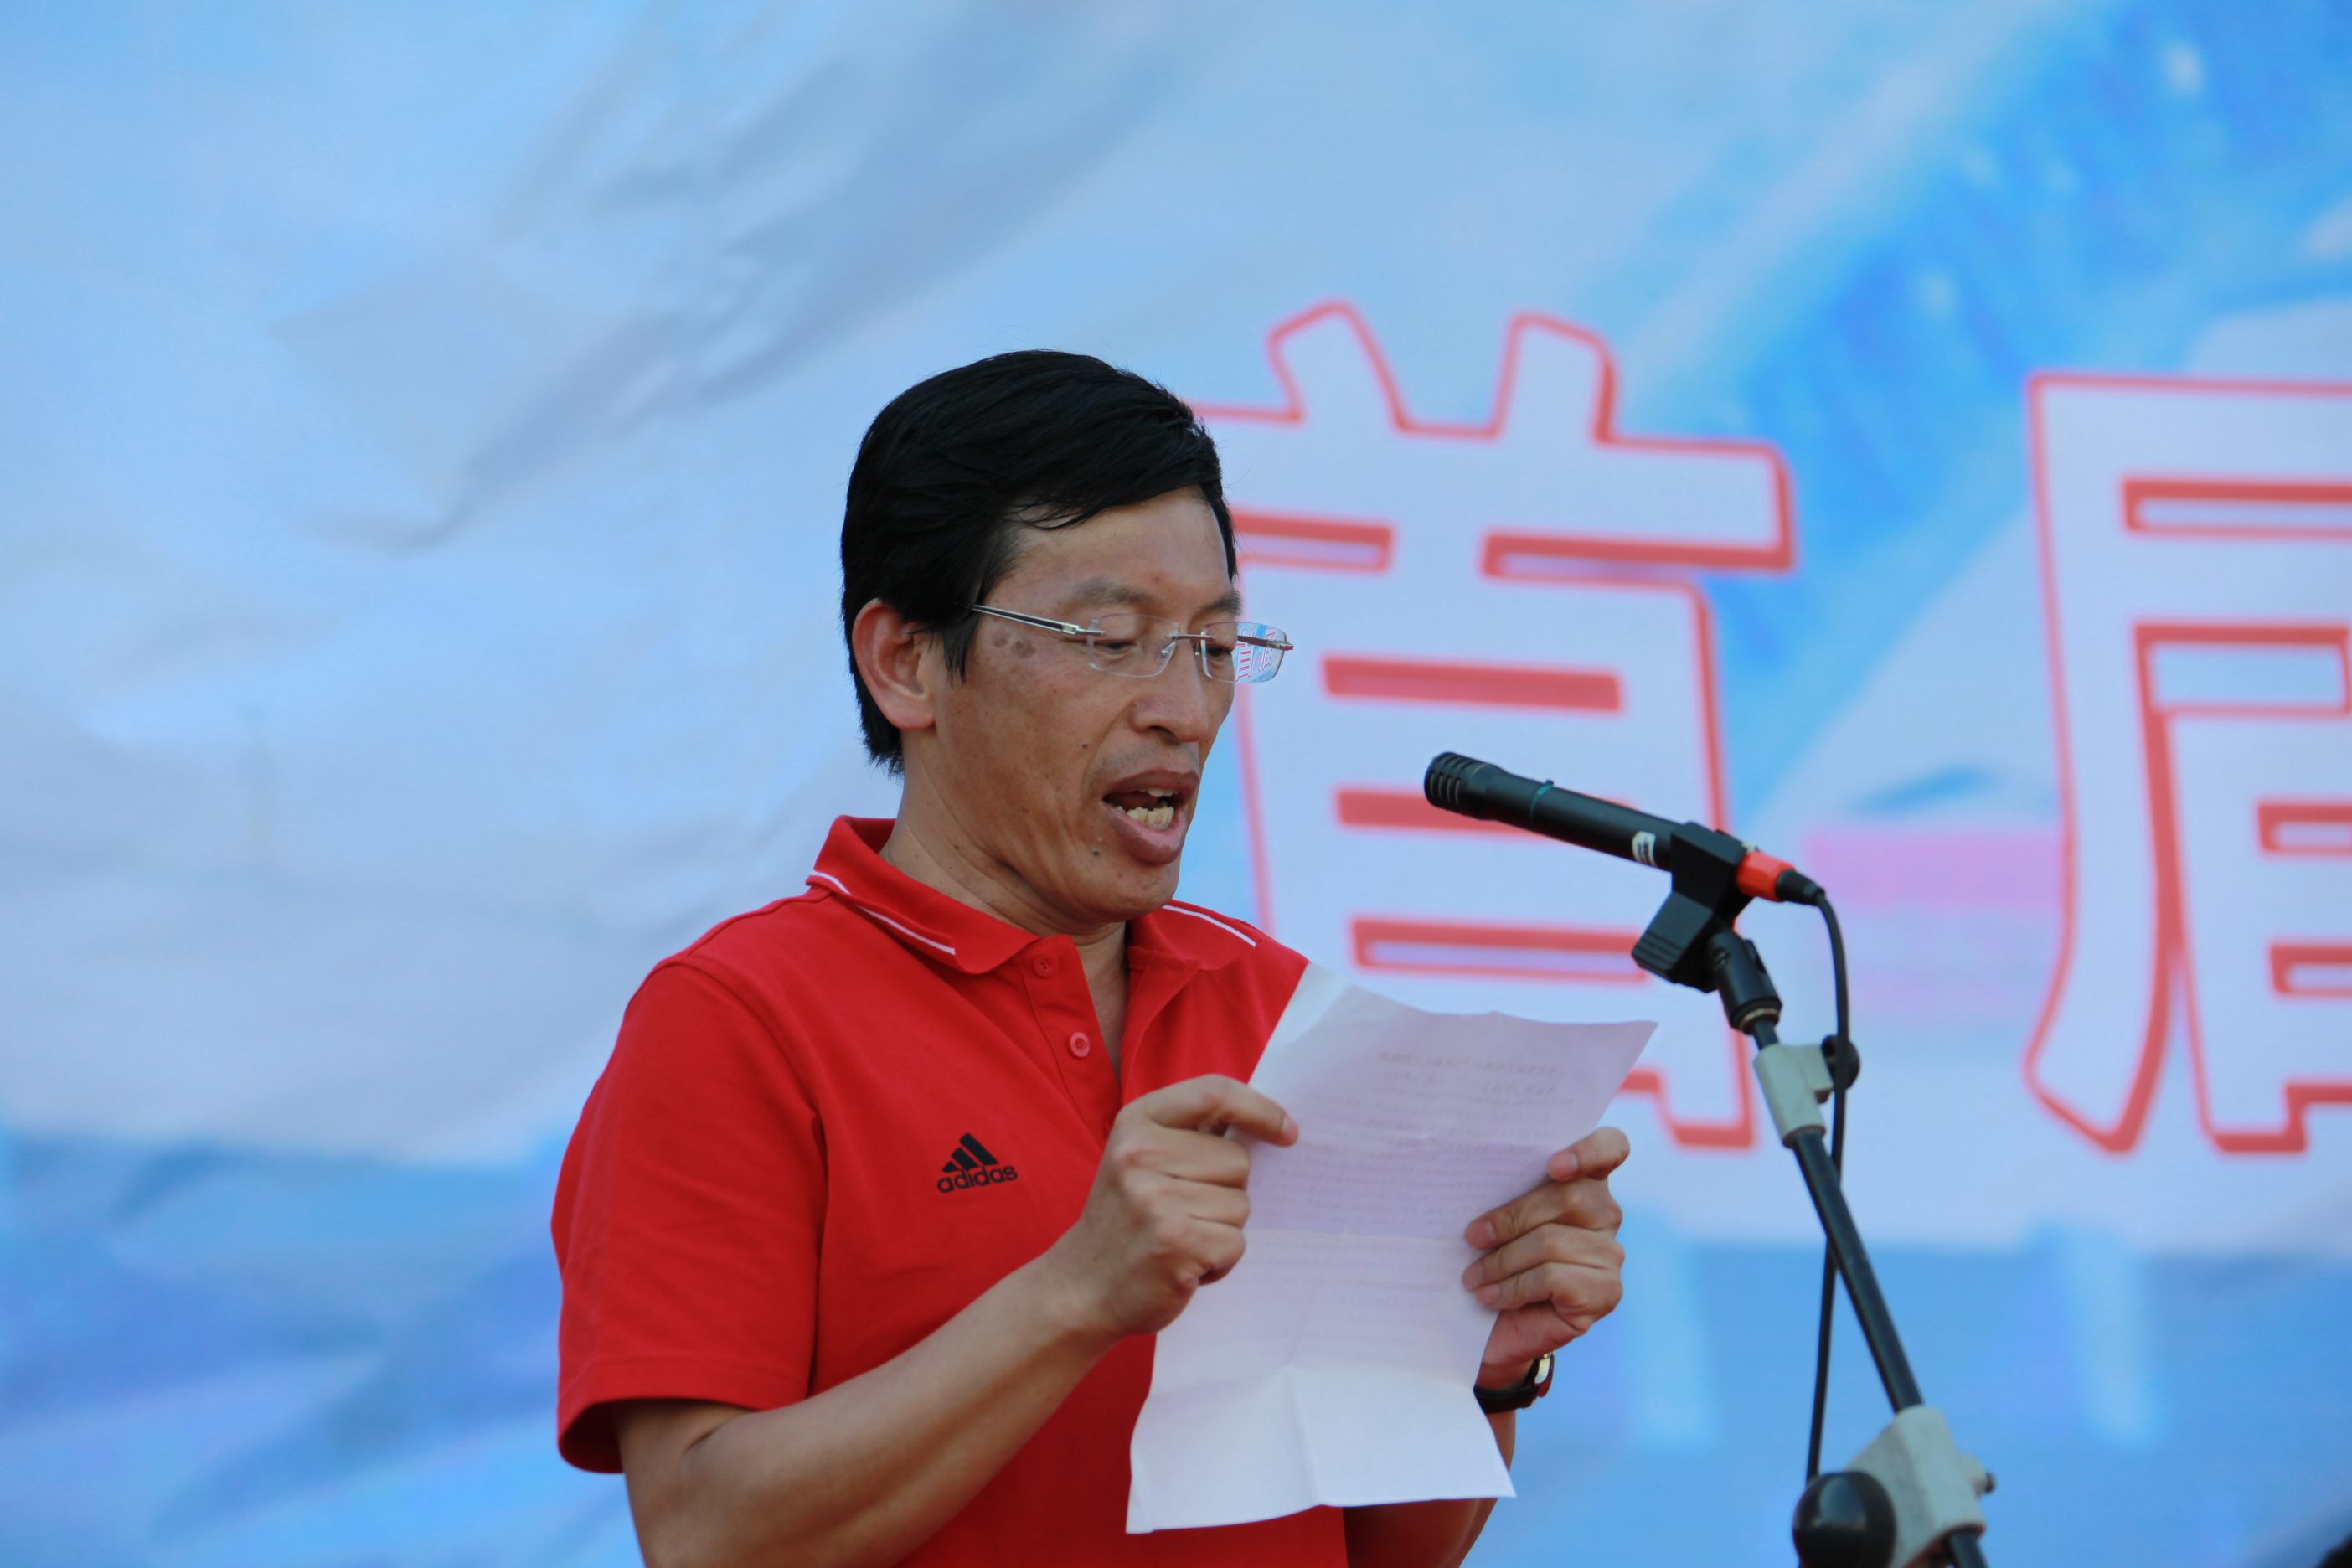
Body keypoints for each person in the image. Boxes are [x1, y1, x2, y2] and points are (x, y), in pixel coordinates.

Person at [550, 350, 1632, 1567]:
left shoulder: (1289, 1016)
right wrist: (1074, 1295)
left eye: (1215, 645)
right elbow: (703, 1536)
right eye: (1111, 638)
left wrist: (1481, 1369)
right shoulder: (740, 1020)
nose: (1185, 707)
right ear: (906, 661)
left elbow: (1379, 1552)